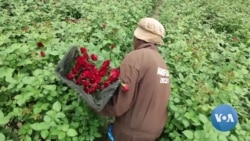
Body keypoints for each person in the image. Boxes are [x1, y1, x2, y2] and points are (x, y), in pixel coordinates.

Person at [97, 17, 171, 141]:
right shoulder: (162, 63)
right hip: (154, 132)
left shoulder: (135, 58)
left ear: (137, 38)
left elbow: (120, 104)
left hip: (131, 133)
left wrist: (97, 105)